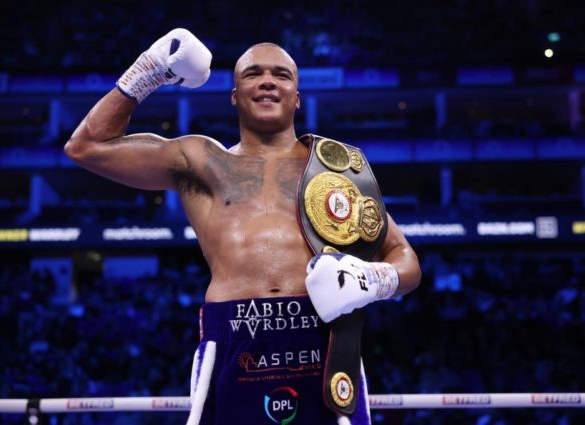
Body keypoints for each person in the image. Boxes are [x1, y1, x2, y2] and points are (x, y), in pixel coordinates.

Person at [64, 28, 421, 425]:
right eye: (253, 73)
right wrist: (149, 70)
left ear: (297, 98)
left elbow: (405, 260)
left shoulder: (335, 171)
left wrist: (372, 279)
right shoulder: (201, 162)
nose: (267, 81)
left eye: (281, 75)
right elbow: (87, 146)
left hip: (324, 345)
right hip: (233, 340)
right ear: (234, 95)